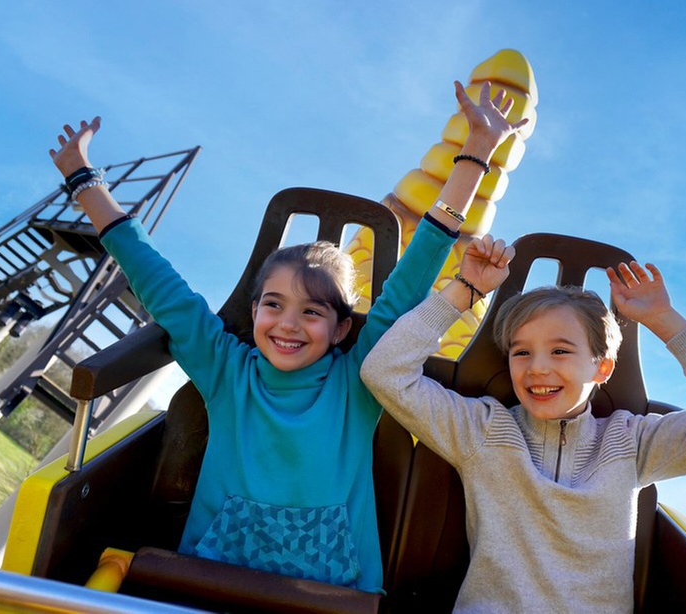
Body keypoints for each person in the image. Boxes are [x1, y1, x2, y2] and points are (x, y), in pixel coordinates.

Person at [47, 81, 528, 593]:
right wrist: (83, 180)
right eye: (273, 305)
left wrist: (476, 152)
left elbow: (414, 275)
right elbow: (157, 281)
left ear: (343, 327)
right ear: (254, 312)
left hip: (328, 602)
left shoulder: (360, 380)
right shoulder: (226, 370)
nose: (289, 324)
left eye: (312, 311)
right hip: (210, 586)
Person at [360, 237, 686, 611]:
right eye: (521, 353)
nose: (537, 368)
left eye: (560, 351)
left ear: (602, 368)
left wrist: (663, 319)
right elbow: (385, 371)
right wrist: (462, 292)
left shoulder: (632, 442)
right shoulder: (482, 429)